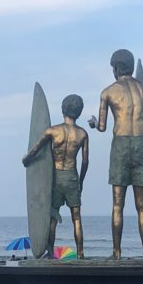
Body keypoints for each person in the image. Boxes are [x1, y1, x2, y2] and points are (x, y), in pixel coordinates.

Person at [88, 49, 143, 259]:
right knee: (141, 205)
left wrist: (93, 123)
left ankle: (117, 252)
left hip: (120, 145)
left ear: (117, 67)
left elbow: (101, 127)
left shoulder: (108, 92)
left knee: (118, 204)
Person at [24, 93, 89, 259]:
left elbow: (35, 148)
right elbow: (85, 161)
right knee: (76, 218)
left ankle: (51, 252)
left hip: (56, 177)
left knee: (53, 217)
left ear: (63, 109)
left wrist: (27, 160)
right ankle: (80, 253)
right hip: (72, 176)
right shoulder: (82, 134)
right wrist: (80, 182)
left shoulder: (53, 131)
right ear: (79, 111)